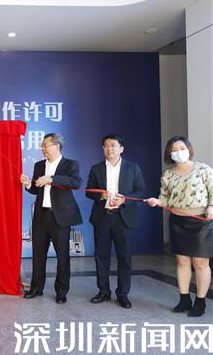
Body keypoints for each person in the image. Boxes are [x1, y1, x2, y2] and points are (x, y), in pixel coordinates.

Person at [145, 136, 213, 317]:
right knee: (182, 262)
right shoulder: (168, 175)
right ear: (169, 154)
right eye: (173, 150)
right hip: (178, 221)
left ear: (189, 149)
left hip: (201, 221)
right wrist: (156, 201)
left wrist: (211, 206)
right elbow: (166, 198)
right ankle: (184, 299)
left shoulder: (203, 169)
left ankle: (200, 301)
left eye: (181, 148)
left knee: (200, 263)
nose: (178, 152)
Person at [20, 133, 82, 304]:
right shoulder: (39, 165)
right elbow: (36, 189)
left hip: (60, 217)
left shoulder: (70, 164)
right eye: (42, 145)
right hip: (41, 216)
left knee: (62, 256)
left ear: (56, 146)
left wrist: (52, 179)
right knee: (38, 254)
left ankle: (61, 292)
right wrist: (28, 184)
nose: (43, 148)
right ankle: (36, 288)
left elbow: (76, 182)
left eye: (45, 145)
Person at [86, 134, 145, 309]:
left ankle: (123, 294)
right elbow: (88, 191)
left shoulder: (132, 168)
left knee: (124, 257)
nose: (109, 148)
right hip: (102, 217)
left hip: (123, 218)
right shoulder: (96, 169)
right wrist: (100, 195)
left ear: (121, 148)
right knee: (101, 256)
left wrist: (125, 199)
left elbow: (140, 190)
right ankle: (103, 291)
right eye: (106, 145)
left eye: (113, 145)